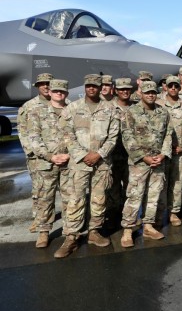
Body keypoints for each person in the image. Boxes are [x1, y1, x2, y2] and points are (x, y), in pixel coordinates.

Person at [55, 74, 119, 258]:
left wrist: (99, 154)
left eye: (95, 86)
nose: (91, 88)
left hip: (102, 162)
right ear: (85, 87)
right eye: (88, 86)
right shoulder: (72, 109)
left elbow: (113, 137)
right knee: (76, 200)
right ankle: (71, 237)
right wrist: (83, 155)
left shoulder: (110, 109)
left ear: (101, 88)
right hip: (79, 164)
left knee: (99, 199)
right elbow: (67, 135)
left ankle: (94, 232)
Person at [120, 81, 173, 247]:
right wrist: (143, 157)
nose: (151, 95)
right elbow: (127, 137)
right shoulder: (131, 112)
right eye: (147, 92)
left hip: (158, 162)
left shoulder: (163, 112)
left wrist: (163, 154)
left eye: (153, 92)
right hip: (139, 163)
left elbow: (168, 135)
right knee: (135, 195)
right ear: (140, 93)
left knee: (153, 195)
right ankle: (128, 230)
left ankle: (148, 226)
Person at [27, 79, 70, 248]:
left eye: (62, 91)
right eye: (56, 91)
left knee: (70, 198)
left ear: (66, 93)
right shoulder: (37, 111)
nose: (59, 93)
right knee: (45, 199)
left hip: (68, 162)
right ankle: (44, 232)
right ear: (50, 92)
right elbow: (34, 139)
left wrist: (69, 155)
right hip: (46, 163)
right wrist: (50, 156)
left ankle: (70, 231)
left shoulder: (72, 110)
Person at [156, 76, 182, 227]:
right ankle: (159, 214)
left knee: (178, 183)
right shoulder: (158, 104)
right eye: (170, 85)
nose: (173, 88)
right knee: (160, 184)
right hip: (161, 153)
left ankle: (174, 213)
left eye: (176, 86)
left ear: (180, 88)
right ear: (165, 87)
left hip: (180, 153)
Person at [17, 72, 53, 233]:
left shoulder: (63, 103)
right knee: (39, 190)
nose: (46, 86)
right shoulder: (29, 106)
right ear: (38, 86)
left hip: (59, 154)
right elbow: (22, 131)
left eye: (49, 83)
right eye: (42, 83)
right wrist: (31, 151)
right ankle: (39, 219)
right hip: (37, 157)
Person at [106, 77, 133, 229]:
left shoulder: (136, 108)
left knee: (131, 187)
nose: (124, 91)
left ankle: (129, 215)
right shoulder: (108, 107)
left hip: (132, 156)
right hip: (113, 155)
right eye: (121, 89)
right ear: (116, 90)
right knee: (113, 187)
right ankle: (115, 215)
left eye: (127, 89)